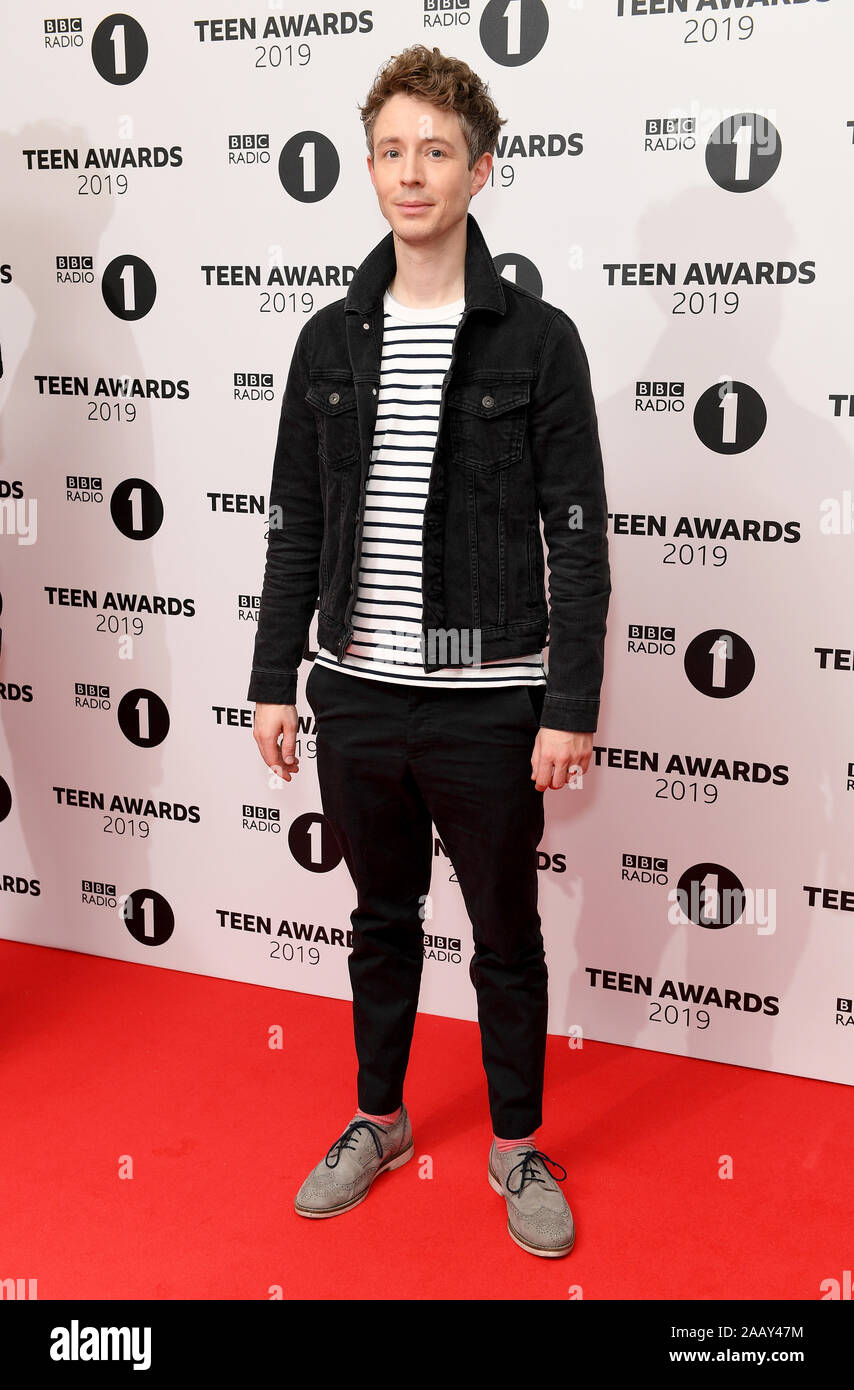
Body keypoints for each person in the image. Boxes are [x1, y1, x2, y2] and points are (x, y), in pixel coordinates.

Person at [248, 44, 611, 1259]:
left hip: (488, 699)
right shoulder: (326, 343)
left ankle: (515, 1145)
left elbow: (579, 539)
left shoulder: (537, 343)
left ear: (480, 168)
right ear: (368, 168)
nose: (412, 173)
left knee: (504, 933)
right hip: (356, 693)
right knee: (379, 917)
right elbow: (296, 524)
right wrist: (272, 680)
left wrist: (565, 703)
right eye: (392, 151)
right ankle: (380, 1119)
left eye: (436, 150)